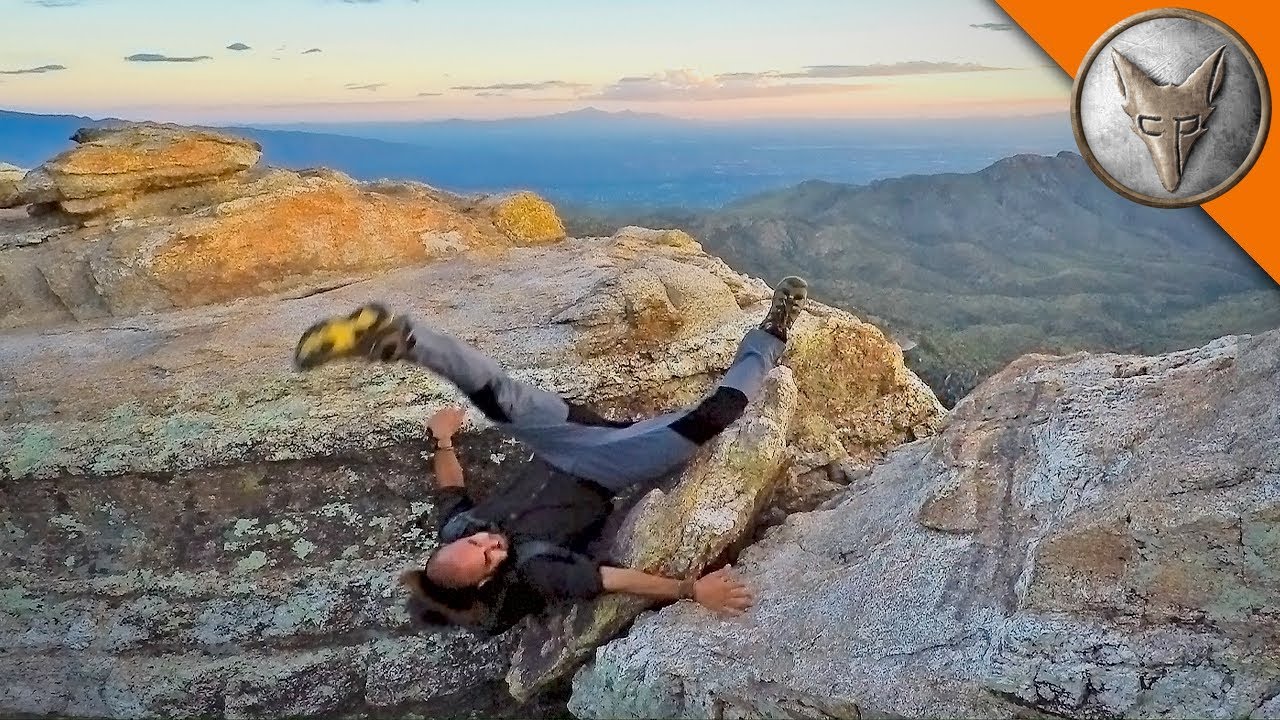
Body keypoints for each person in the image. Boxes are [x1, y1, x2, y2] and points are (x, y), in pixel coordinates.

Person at [292, 276, 809, 634]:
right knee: (711, 418)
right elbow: (614, 580)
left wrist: (443, 440)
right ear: (491, 576)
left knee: (495, 393)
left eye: (475, 538)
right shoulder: (538, 571)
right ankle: (771, 336)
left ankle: (396, 337)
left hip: (558, 441)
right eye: (488, 554)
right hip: (603, 470)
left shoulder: (457, 534)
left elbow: (450, 490)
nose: (487, 539)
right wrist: (693, 592)